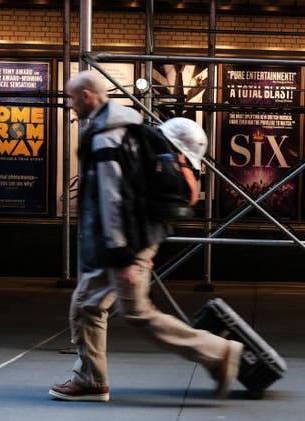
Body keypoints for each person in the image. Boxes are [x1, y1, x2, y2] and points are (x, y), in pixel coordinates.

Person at [49, 70, 242, 402]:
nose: (69, 105)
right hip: (128, 239)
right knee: (86, 305)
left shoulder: (108, 136)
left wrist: (124, 256)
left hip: (124, 242)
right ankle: (90, 379)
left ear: (88, 97)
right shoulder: (119, 130)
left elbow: (113, 199)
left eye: (71, 98)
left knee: (137, 312)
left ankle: (219, 352)